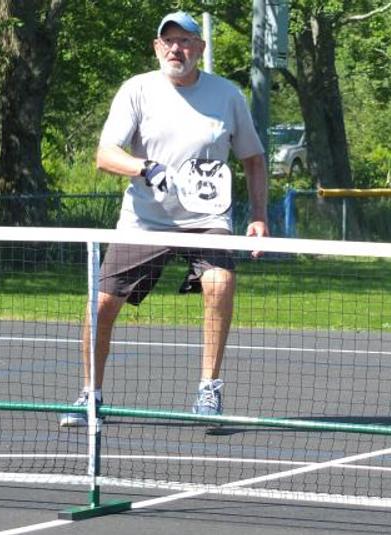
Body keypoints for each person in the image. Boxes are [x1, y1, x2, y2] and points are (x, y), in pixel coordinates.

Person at [60, 11, 268, 427]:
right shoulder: (136, 90)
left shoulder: (227, 95)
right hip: (145, 219)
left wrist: (259, 216)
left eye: (186, 41)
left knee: (220, 282)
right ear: (157, 48)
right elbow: (105, 155)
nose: (177, 49)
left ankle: (209, 389)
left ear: (200, 49)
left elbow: (254, 159)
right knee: (100, 305)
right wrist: (144, 168)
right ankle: (90, 395)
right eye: (169, 41)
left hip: (207, 217)